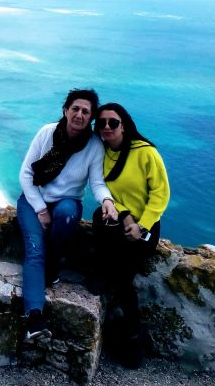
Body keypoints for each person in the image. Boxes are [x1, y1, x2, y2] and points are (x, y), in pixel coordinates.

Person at [17, 89, 119, 341]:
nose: (79, 115)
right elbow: (26, 176)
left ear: (91, 117)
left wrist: (107, 200)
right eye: (75, 109)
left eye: (86, 111)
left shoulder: (94, 146)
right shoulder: (47, 133)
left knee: (63, 214)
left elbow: (97, 182)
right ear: (65, 110)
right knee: (34, 250)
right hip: (33, 202)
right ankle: (34, 317)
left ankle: (52, 261)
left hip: (67, 206)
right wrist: (40, 209)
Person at [91, 102, 170, 368]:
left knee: (122, 276)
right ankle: (129, 336)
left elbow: (160, 194)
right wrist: (124, 215)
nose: (107, 127)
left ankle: (133, 336)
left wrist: (142, 225)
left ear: (123, 124)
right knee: (98, 220)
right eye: (101, 123)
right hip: (120, 220)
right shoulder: (101, 152)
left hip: (145, 227)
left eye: (112, 122)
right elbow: (107, 192)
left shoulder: (145, 152)